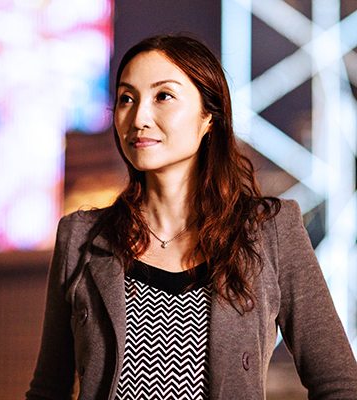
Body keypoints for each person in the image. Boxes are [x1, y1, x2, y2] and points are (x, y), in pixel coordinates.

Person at [25, 34, 357, 400]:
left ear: (208, 117)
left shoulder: (271, 231)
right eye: (126, 98)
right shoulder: (81, 237)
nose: (139, 117)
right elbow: (48, 389)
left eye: (163, 96)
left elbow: (338, 383)